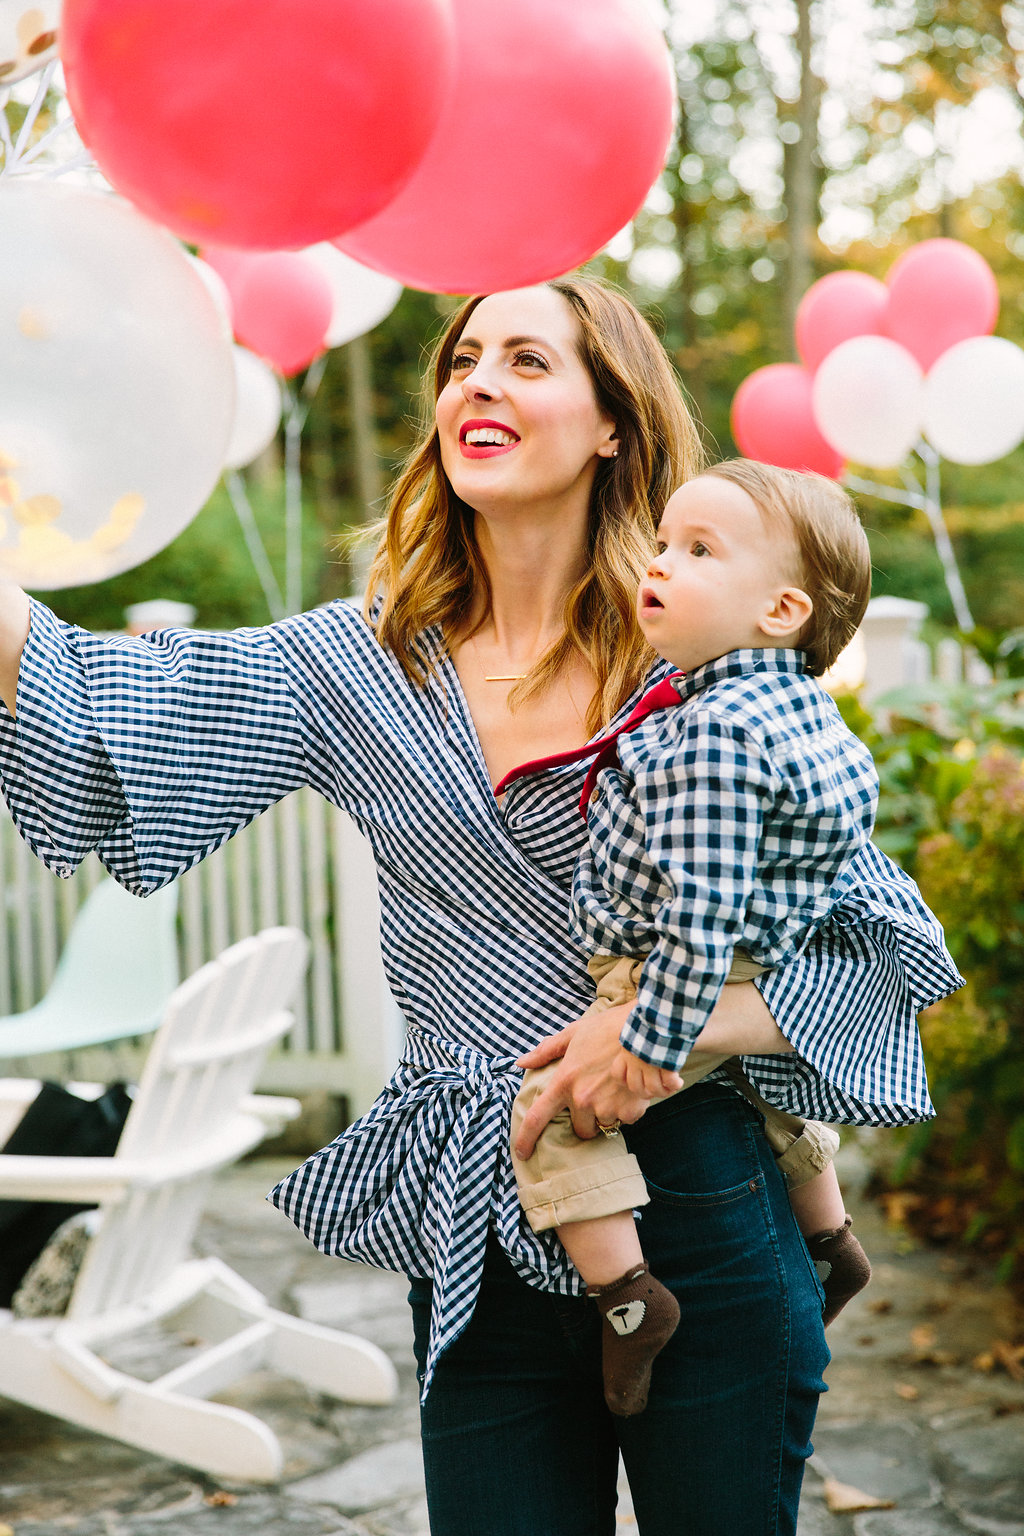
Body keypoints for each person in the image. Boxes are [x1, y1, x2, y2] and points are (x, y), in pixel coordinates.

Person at [0, 277, 949, 1536]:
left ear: (614, 420)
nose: (477, 382)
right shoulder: (361, 658)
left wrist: (666, 1030)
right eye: (461, 360)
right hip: (483, 1218)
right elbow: (120, 705)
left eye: (526, 361)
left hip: (701, 1203)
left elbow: (875, 950)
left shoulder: (707, 658)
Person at [505, 460, 962, 1417]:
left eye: (699, 551)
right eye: (665, 543)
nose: (660, 565)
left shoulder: (716, 730)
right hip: (774, 951)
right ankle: (833, 1243)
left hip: (667, 971)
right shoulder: (800, 712)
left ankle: (628, 1298)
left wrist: (646, 1043)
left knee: (551, 1116)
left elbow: (701, 912)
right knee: (776, 1109)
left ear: (781, 609)